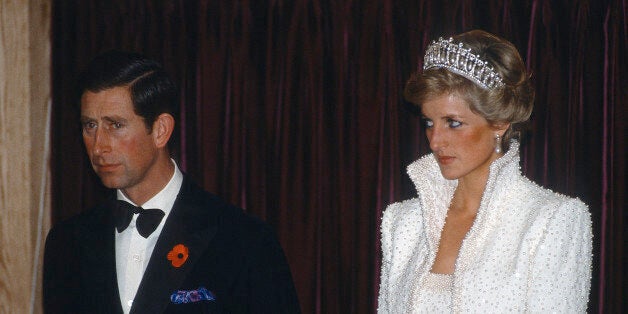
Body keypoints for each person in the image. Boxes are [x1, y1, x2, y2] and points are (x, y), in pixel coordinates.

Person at [43, 51, 301, 314]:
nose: (98, 146)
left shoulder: (243, 240)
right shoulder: (67, 243)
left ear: (160, 130)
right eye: (90, 126)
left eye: (115, 125)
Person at [378, 30, 592, 313]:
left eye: (453, 123)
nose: (435, 141)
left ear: (500, 123)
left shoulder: (551, 219)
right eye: (429, 122)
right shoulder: (402, 222)